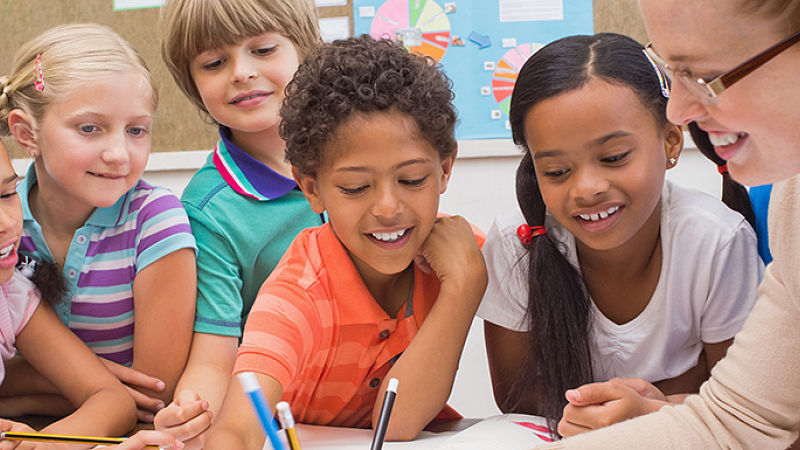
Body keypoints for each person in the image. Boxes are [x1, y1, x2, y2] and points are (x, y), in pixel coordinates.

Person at [534, 0, 800, 449]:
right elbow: (740, 421)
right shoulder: (792, 200)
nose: (677, 110)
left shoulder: (716, 234)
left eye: (704, 75)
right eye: (669, 71)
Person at [201, 35, 488, 450]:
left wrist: (464, 283)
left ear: (445, 169)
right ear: (311, 189)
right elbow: (235, 429)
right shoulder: (299, 290)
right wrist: (463, 289)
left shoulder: (465, 256)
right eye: (355, 188)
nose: (388, 208)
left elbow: (399, 423)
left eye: (412, 180)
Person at [478, 32, 762, 435]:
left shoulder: (715, 239)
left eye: (613, 158)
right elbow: (516, 398)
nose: (587, 188)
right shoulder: (516, 241)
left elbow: (745, 399)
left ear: (670, 141)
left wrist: (653, 411)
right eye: (557, 171)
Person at [0, 23, 197, 423]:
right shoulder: (8, 224)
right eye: (90, 128)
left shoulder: (156, 222)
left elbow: (150, 392)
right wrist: (88, 381)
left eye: (137, 130)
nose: (119, 153)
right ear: (26, 133)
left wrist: (19, 394)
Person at [154, 0, 324, 444]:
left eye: (264, 49)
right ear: (192, 85)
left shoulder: (361, 155)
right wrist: (192, 414)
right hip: (285, 417)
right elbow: (214, 357)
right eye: (214, 62)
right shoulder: (208, 210)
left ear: (306, 50)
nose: (241, 72)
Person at [0, 138, 139, 447]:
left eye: (8, 194)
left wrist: (43, 444)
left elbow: (112, 399)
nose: (7, 223)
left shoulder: (12, 296)